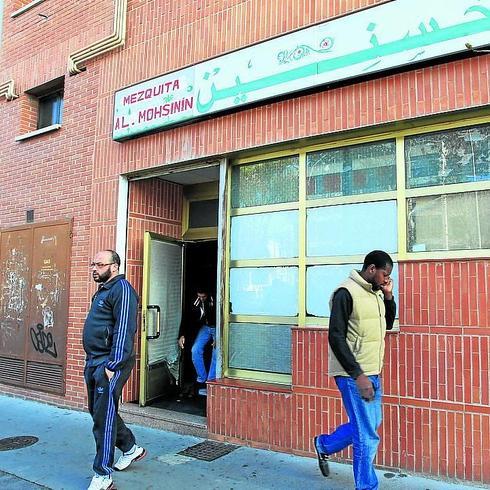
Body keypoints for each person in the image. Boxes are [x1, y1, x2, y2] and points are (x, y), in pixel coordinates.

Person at [313, 250, 396, 490]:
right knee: (366, 436)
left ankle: (325, 445)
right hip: (353, 375)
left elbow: (388, 324)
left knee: (372, 424)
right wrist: (358, 375)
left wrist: (389, 296)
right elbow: (335, 337)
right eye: (384, 274)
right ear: (371, 269)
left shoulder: (376, 293)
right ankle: (366, 486)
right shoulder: (345, 293)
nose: (386, 279)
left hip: (372, 371)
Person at [83, 250, 146, 490]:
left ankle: (103, 476)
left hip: (109, 363)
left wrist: (113, 364)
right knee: (99, 411)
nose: (94, 268)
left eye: (100, 264)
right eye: (93, 264)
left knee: (103, 417)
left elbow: (124, 329)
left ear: (115, 266)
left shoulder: (123, 290)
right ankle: (130, 448)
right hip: (94, 361)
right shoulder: (104, 290)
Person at [178, 286, 216, 396]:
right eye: (199, 296)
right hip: (206, 327)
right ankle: (202, 379)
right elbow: (187, 317)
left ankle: (211, 382)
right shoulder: (196, 301)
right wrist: (182, 335)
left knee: (216, 352)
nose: (201, 298)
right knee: (195, 350)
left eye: (203, 296)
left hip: (217, 327)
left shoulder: (215, 299)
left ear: (208, 295)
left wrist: (220, 336)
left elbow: (225, 315)